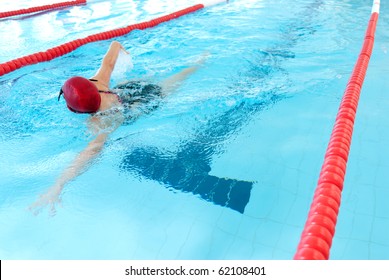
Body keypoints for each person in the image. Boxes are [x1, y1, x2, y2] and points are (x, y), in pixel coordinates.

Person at [30, 41, 208, 214]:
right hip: (131, 88)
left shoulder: (99, 121)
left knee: (172, 84)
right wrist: (118, 46)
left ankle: (198, 64)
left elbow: (92, 150)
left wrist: (59, 184)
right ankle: (199, 62)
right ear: (89, 84)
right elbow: (111, 55)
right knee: (175, 77)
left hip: (140, 105)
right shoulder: (99, 82)